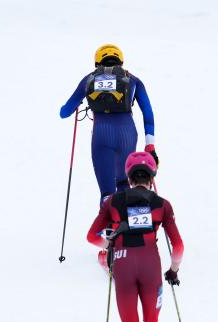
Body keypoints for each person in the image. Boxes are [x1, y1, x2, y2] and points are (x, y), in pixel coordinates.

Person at [86, 152, 184, 322]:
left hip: (123, 264)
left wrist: (109, 246)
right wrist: (173, 270)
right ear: (152, 178)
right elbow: (178, 247)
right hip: (150, 264)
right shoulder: (163, 205)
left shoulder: (112, 203)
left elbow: (91, 237)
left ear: (129, 178)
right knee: (152, 321)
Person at [60, 44, 158, 203]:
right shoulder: (133, 80)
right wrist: (150, 146)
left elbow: (64, 113)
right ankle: (127, 225)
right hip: (128, 134)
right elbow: (148, 112)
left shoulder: (88, 80)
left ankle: (109, 226)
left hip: (101, 135)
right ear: (121, 61)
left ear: (97, 62)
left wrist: (75, 104)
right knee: (124, 185)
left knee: (107, 194)